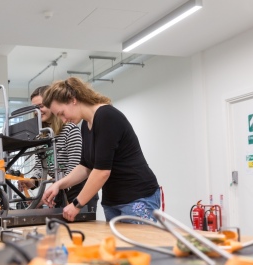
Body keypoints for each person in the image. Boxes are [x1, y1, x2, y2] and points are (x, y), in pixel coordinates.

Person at [41, 77, 160, 223]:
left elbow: (102, 171)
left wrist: (77, 204)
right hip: (112, 201)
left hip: (137, 197)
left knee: (140, 245)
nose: (63, 120)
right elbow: (85, 167)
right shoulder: (86, 124)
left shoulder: (106, 117)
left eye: (61, 113)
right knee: (118, 246)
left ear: (72, 99)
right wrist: (58, 185)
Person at [18, 85, 98, 211]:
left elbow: (75, 166)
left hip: (79, 191)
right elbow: (41, 168)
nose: (37, 112)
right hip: (60, 190)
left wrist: (52, 191)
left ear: (52, 105)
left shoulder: (70, 129)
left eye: (41, 106)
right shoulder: (41, 136)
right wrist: (32, 181)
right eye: (34, 108)